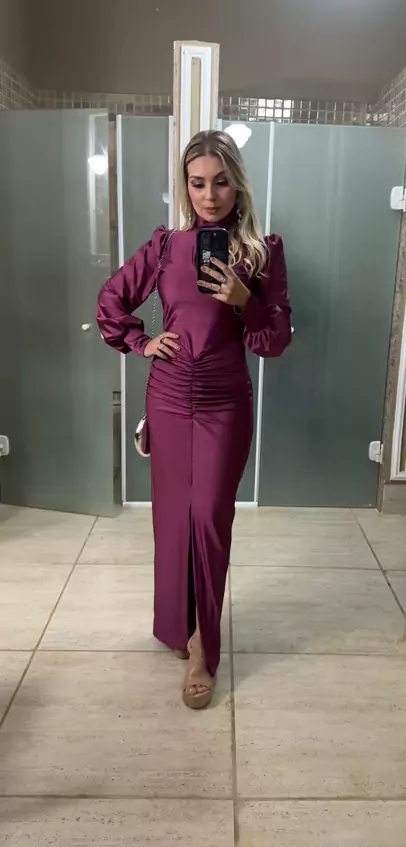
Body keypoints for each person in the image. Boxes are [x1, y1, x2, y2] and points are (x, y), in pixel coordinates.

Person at [96, 130, 292, 709]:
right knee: (174, 521)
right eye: (198, 183)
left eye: (221, 182)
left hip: (224, 400)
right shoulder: (164, 247)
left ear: (238, 184)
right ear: (185, 186)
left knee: (209, 516)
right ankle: (177, 626)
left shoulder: (260, 252)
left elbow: (275, 339)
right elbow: (111, 301)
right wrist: (142, 342)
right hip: (168, 394)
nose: (210, 196)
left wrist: (244, 300)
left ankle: (205, 645)